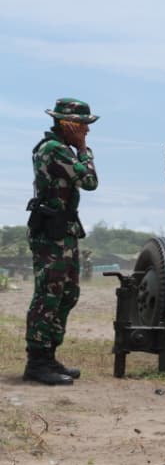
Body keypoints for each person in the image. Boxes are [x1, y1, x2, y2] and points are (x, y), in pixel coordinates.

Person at [23, 98, 99, 385]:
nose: (86, 131)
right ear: (68, 124)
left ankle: (49, 355)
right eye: (83, 125)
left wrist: (78, 148)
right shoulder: (53, 149)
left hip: (63, 230)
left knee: (68, 293)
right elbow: (89, 181)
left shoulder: (62, 149)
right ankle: (37, 362)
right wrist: (83, 149)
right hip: (51, 232)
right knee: (49, 294)